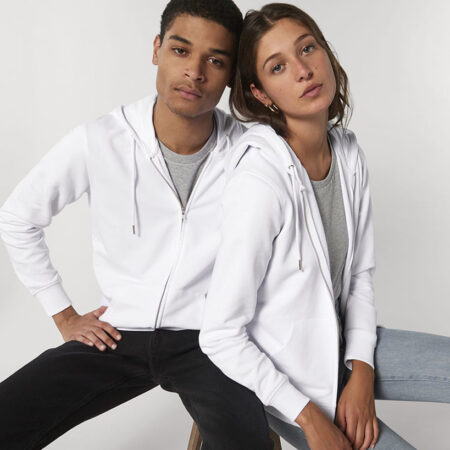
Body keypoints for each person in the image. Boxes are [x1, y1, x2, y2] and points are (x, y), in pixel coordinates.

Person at [0, 1, 275, 449]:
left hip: (212, 342)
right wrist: (64, 314)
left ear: (230, 75)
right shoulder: (101, 139)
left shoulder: (253, 153)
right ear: (156, 49)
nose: (194, 72)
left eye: (215, 60)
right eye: (181, 51)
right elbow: (17, 217)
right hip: (118, 334)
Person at [199, 3, 450, 450]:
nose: (303, 71)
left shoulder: (348, 153)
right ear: (261, 93)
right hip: (284, 379)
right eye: (278, 67)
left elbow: (359, 277)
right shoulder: (259, 181)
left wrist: (361, 370)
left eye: (307, 49)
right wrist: (310, 418)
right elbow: (220, 335)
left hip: (340, 343)